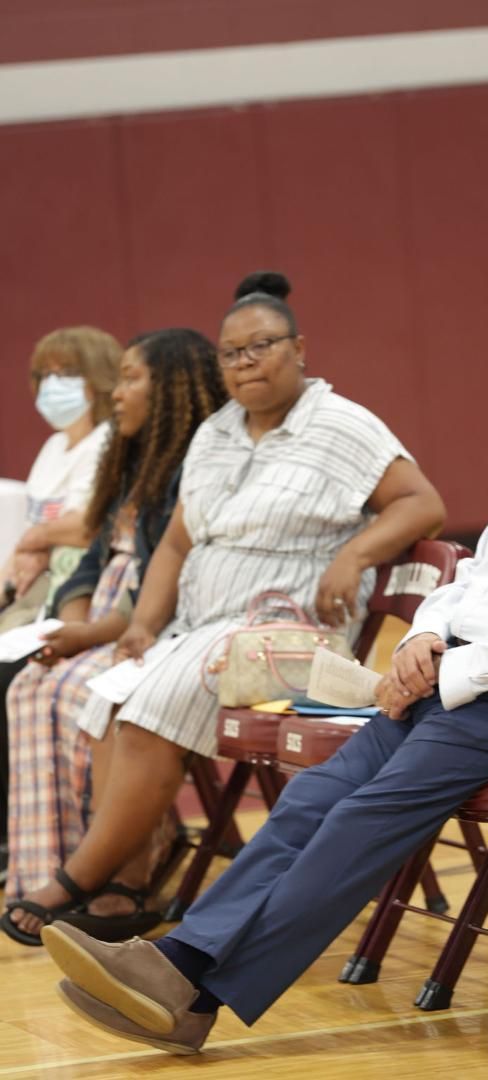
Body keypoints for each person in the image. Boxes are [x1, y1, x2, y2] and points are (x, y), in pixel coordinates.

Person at [39, 322, 488, 1055]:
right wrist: (423, 637)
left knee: (361, 813)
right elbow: (475, 579)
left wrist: (444, 670)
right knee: (313, 797)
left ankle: (193, 985)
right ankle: (178, 968)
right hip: (473, 686)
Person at [8, 271, 445, 946]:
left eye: (261, 346)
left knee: (160, 700)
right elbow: (177, 544)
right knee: (111, 695)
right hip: (207, 630)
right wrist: (146, 625)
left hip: (291, 639)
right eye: (231, 353)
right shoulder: (214, 434)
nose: (245, 363)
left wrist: (354, 555)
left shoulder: (340, 425)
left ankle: (74, 879)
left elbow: (422, 503)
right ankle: (128, 887)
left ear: (299, 348)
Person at [1, 328, 228, 945]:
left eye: (131, 379)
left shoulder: (190, 469)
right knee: (30, 687)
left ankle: (119, 869)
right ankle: (43, 864)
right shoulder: (131, 460)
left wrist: (93, 633)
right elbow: (95, 561)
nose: (117, 394)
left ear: (173, 388)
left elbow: (165, 584)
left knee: (94, 691)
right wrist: (73, 621)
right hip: (107, 620)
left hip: (151, 628)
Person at [0, 326, 120, 886]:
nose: (52, 387)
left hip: (90, 598)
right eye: (43, 375)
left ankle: (15, 839)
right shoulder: (54, 448)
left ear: (97, 379)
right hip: (43, 592)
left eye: (64, 375)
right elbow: (36, 533)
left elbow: (89, 520)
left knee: (10, 676)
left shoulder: (111, 441)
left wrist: (35, 542)